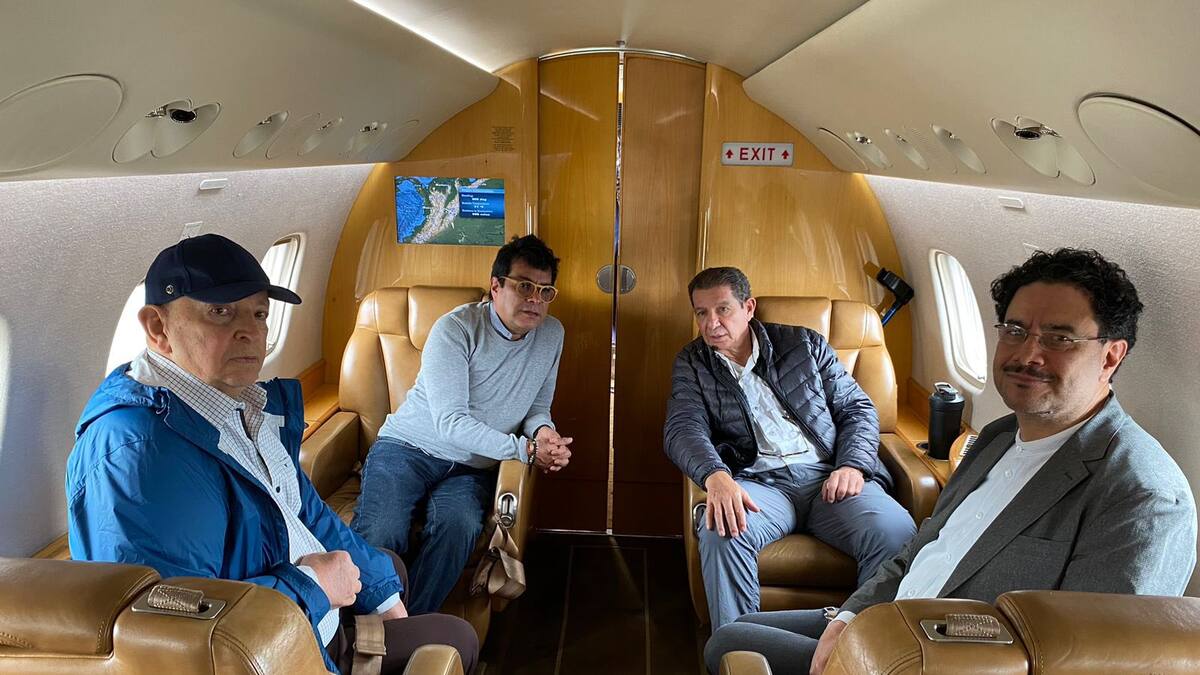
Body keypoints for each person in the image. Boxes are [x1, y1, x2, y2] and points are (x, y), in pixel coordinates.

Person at [704, 248, 1198, 675]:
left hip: (939, 658)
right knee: (734, 634)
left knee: (734, 649)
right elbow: (921, 549)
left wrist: (869, 655)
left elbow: (1093, 662)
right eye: (1015, 330)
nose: (1028, 354)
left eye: (1059, 338)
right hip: (894, 617)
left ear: (1111, 356)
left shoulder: (1142, 495)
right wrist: (851, 619)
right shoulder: (997, 437)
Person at [67, 233, 478, 674]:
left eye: (259, 313)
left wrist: (381, 597)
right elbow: (175, 632)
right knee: (456, 639)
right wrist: (314, 584)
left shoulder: (238, 405)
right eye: (220, 312)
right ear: (157, 327)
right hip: (272, 651)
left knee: (389, 571)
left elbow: (305, 512)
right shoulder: (140, 454)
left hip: (297, 612)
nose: (251, 332)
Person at [665, 266, 916, 630]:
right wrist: (715, 476)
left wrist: (852, 465)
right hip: (759, 485)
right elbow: (682, 427)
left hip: (828, 477)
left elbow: (857, 409)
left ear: (748, 308)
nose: (711, 323)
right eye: (701, 313)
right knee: (721, 529)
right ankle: (739, 651)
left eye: (723, 309)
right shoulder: (692, 362)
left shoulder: (804, 344)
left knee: (896, 533)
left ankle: (857, 649)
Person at [351, 234, 572, 614]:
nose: (535, 299)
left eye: (545, 291)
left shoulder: (552, 335)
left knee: (460, 526)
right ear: (496, 286)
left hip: (473, 466)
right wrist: (526, 450)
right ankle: (357, 625)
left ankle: (406, 626)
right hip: (408, 449)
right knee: (382, 530)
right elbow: (451, 422)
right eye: (524, 286)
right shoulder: (455, 328)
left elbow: (537, 408)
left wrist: (545, 434)